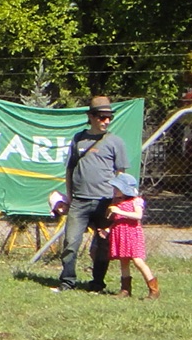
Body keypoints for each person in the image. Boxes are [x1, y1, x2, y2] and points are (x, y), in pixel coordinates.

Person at [55, 95, 131, 292]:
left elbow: (121, 174)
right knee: (71, 242)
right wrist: (70, 196)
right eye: (101, 117)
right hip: (79, 201)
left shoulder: (116, 142)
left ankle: (97, 283)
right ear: (90, 116)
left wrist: (117, 201)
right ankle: (67, 282)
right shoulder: (78, 139)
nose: (106, 121)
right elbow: (70, 170)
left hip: (105, 201)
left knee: (103, 245)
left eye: (109, 118)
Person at [103, 172, 159, 298]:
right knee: (123, 261)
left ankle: (153, 289)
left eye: (117, 188)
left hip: (132, 234)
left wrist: (120, 211)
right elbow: (117, 220)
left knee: (138, 261)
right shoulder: (116, 202)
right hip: (120, 234)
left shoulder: (136, 201)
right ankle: (125, 289)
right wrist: (108, 229)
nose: (115, 190)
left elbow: (138, 216)